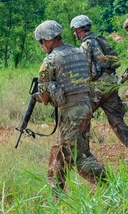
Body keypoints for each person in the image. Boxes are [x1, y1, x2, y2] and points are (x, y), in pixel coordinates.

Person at [32, 20, 106, 190]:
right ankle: (55, 192)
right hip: (85, 106)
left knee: (76, 156)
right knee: (59, 151)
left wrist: (43, 98)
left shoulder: (51, 59)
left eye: (41, 42)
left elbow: (44, 94)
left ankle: (111, 186)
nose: (41, 46)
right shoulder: (79, 51)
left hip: (72, 112)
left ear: (49, 39)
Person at [70, 15, 128, 155]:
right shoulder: (99, 39)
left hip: (98, 87)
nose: (74, 33)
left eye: (74, 30)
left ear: (79, 29)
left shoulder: (86, 45)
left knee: (83, 118)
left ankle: (85, 155)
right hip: (110, 85)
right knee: (116, 120)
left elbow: (87, 70)